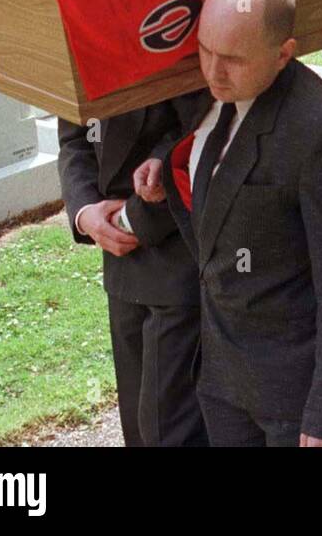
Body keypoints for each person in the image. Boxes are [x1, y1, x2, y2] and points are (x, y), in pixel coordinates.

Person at [134, 0, 322, 446]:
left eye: (231, 59)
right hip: (222, 378)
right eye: (204, 50)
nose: (212, 71)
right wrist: (168, 172)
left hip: (291, 396)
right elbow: (219, 188)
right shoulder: (216, 97)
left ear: (283, 53)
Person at [57, 101, 209, 447]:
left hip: (180, 247)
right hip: (122, 262)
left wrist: (134, 218)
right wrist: (85, 212)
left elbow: (203, 122)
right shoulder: (78, 49)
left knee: (169, 428)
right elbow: (74, 137)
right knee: (139, 427)